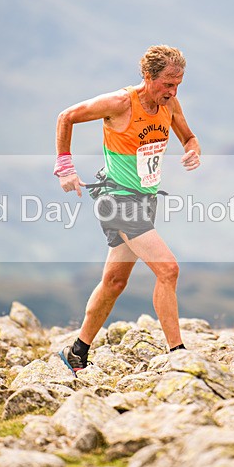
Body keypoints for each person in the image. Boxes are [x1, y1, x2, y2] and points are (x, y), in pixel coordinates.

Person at [53, 45, 201, 375]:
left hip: (145, 201)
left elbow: (189, 138)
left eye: (178, 84)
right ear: (148, 77)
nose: (173, 91)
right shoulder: (120, 103)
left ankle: (77, 352)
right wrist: (65, 166)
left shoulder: (170, 103)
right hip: (117, 200)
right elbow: (67, 117)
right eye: (166, 84)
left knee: (115, 282)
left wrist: (192, 150)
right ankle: (178, 355)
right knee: (169, 269)